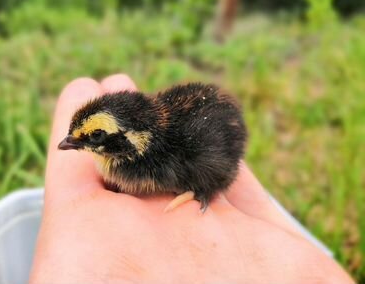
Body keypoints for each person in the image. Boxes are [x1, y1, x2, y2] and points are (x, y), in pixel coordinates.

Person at [29, 74, 354, 284]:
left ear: (129, 140)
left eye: (94, 136)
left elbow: (217, 153)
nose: (71, 144)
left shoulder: (164, 156)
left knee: (205, 166)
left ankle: (204, 190)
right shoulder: (135, 152)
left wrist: (202, 190)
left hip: (208, 134)